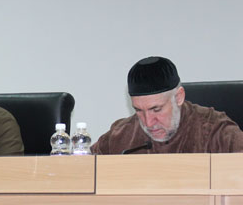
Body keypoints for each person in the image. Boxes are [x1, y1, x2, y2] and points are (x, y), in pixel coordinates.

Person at [91, 56, 243, 154]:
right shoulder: (120, 135)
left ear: (179, 97)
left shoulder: (215, 132)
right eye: (139, 110)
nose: (148, 122)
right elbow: (85, 170)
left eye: (156, 109)